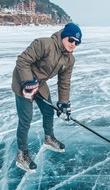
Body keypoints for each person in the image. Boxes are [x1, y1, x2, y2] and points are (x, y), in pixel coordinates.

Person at [11, 23, 82, 173]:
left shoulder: (69, 60)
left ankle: (49, 138)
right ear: (64, 36)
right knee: (26, 118)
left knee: (49, 111)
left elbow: (64, 82)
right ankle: (21, 154)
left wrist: (63, 104)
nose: (73, 44)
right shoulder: (44, 44)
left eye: (77, 42)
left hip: (40, 83)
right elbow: (22, 61)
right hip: (23, 81)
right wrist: (27, 82)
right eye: (71, 40)